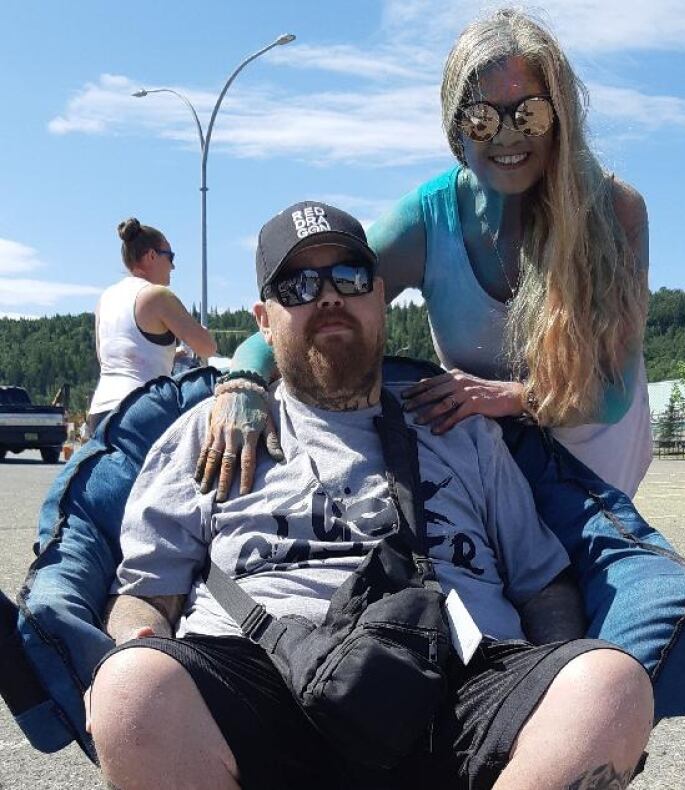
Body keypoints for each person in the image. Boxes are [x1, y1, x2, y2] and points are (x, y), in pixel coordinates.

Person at [85, 203, 653, 790]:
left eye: (349, 277)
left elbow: (541, 584)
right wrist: (133, 648)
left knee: (610, 686)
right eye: (298, 285)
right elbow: (148, 597)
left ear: (380, 295)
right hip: (263, 685)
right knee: (131, 689)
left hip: (459, 690)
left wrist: (551, 684)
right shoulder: (212, 433)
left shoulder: (462, 430)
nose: (328, 296)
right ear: (263, 318)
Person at [199, 8, 651, 502]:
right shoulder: (428, 220)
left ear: (560, 115)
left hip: (591, 449)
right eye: (480, 118)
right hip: (488, 449)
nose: (505, 135)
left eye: (530, 113)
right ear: (454, 127)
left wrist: (512, 397)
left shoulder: (612, 212)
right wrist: (241, 383)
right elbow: (314, 303)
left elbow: (610, 395)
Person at [86, 217, 217, 437]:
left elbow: (112, 358)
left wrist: (172, 355)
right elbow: (207, 347)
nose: (173, 266)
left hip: (100, 413)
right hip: (141, 410)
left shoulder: (105, 298)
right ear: (151, 256)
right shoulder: (156, 295)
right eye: (170, 256)